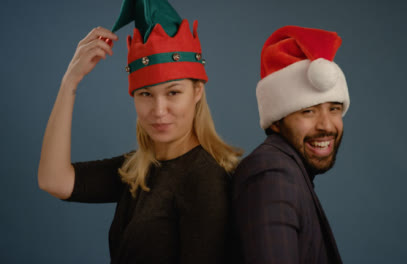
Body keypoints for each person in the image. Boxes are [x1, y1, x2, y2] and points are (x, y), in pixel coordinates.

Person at [38, 0, 242, 263]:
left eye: (173, 92)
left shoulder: (205, 180)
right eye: (146, 94)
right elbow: (53, 180)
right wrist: (70, 81)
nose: (158, 110)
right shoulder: (139, 169)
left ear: (197, 91)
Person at [232, 26, 350, 264]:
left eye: (334, 109)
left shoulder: (290, 172)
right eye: (308, 111)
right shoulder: (272, 175)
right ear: (276, 121)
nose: (326, 125)